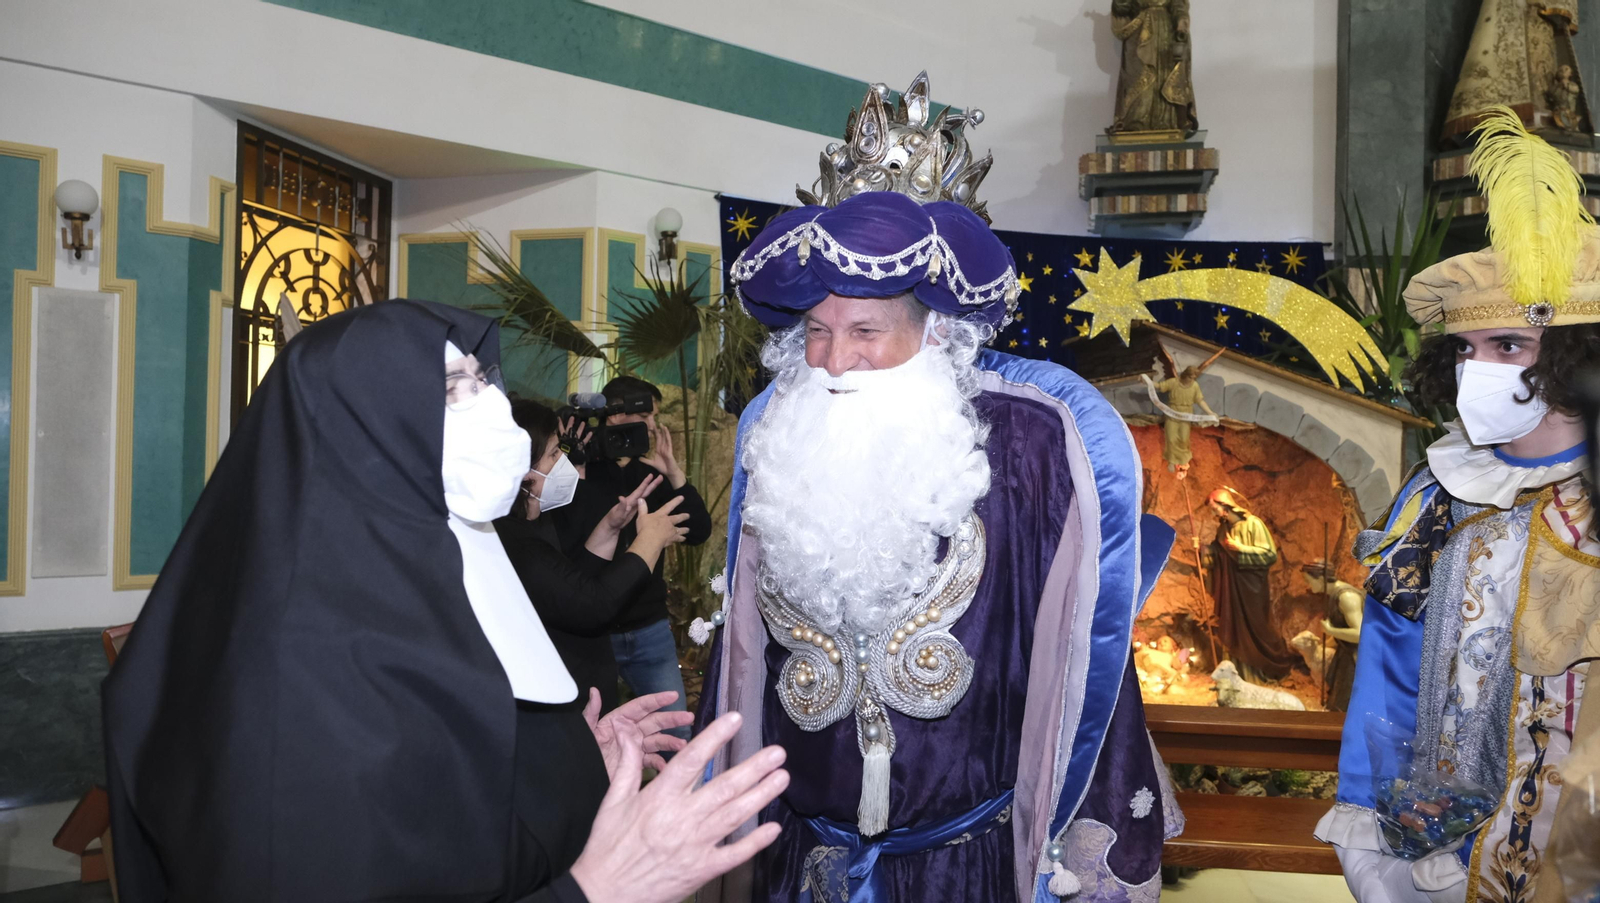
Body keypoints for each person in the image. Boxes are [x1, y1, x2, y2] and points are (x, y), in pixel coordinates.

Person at [101, 299, 789, 903]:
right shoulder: (292, 690)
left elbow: (444, 803)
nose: (496, 408)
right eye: (456, 389)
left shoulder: (403, 577)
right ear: (367, 428)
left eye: (483, 380)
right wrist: (603, 887)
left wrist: (566, 767)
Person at [694, 73, 1180, 903]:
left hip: (965, 870)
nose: (834, 361)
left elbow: (1084, 661)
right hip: (804, 867)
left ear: (936, 330)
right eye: (817, 331)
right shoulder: (780, 433)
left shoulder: (1029, 444)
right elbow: (740, 659)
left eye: (865, 330)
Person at [1317, 108, 1600, 903]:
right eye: (1468, 349)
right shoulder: (1434, 493)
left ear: (1575, 356)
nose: (1480, 371)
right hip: (1431, 857)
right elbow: (1387, 669)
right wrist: (1377, 839)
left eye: (1509, 347)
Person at [496, 398, 691, 712]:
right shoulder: (516, 541)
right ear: (523, 471)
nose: (563, 461)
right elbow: (594, 604)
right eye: (554, 454)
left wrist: (610, 528)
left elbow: (574, 583)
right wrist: (651, 540)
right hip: (561, 709)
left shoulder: (534, 523)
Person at [558, 375, 712, 733]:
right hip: (595, 634)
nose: (653, 426)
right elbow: (567, 539)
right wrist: (577, 471)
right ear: (614, 415)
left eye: (655, 417)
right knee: (591, 735)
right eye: (646, 417)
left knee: (677, 731)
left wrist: (674, 473)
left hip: (650, 631)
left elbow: (698, 531)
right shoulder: (581, 470)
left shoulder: (653, 476)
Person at [1206, 486, 1298, 682]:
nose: (1214, 514)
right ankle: (1238, 673)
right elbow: (1219, 554)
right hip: (1231, 587)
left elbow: (1269, 555)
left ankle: (1265, 668)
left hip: (1251, 586)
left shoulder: (1253, 524)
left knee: (1258, 626)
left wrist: (1241, 548)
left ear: (1226, 506)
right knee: (1233, 627)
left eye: (1215, 509)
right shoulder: (1223, 529)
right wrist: (1207, 551)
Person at [1303, 559, 1360, 711]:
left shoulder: (1346, 598)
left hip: (1358, 657)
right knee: (1337, 697)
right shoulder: (1333, 596)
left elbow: (1360, 634)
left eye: (1308, 581)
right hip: (1345, 653)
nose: (1307, 585)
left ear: (1321, 578)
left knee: (1346, 700)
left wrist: (1331, 631)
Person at [1154, 365, 1218, 473]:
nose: (1191, 379)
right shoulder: (1174, 382)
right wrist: (1147, 381)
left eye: (1193, 378)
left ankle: (1182, 460)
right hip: (1173, 413)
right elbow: (1160, 386)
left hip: (1186, 414)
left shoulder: (1195, 386)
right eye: (1190, 377)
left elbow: (1200, 400)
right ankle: (1171, 461)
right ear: (1185, 375)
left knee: (1184, 439)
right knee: (1171, 437)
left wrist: (1210, 412)